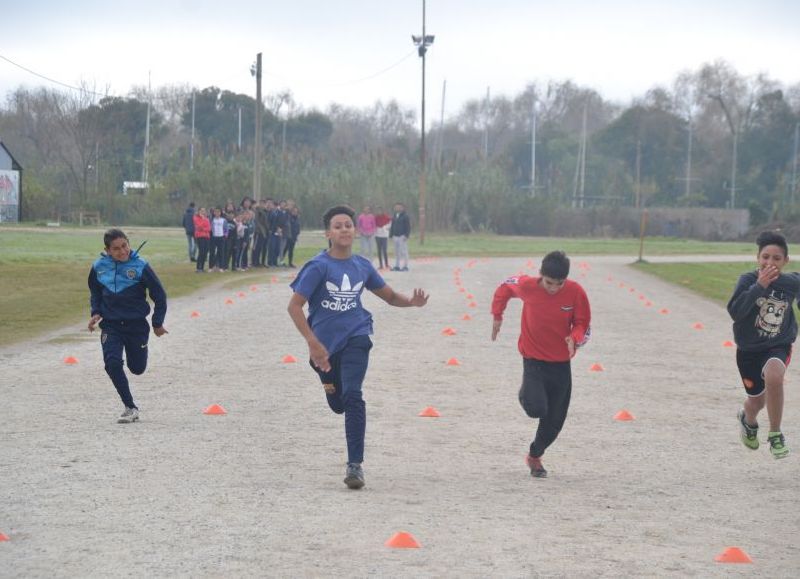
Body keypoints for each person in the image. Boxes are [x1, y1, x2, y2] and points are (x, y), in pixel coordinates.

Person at [287, 205, 429, 490]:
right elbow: (294, 307)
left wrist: (410, 302)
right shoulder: (318, 267)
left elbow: (389, 296)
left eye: (348, 225)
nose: (344, 229)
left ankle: (355, 466)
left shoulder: (362, 266)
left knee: (353, 396)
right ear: (328, 233)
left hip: (357, 337)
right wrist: (312, 343)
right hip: (324, 347)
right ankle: (328, 383)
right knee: (337, 403)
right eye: (337, 226)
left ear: (355, 230)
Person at [491, 251, 591, 478]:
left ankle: (535, 455)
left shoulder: (576, 292)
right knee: (535, 407)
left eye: (559, 284)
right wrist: (498, 314)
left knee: (555, 421)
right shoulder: (527, 285)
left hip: (561, 364)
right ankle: (525, 392)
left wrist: (574, 337)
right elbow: (504, 288)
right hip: (534, 360)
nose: (554, 288)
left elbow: (583, 323)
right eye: (549, 283)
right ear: (540, 276)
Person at [728, 231, 799, 459]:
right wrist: (759, 286)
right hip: (748, 350)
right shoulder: (748, 281)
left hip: (778, 344)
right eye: (765, 257)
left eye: (776, 258)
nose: (770, 262)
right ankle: (747, 419)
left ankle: (776, 433)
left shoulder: (791, 283)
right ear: (757, 258)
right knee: (756, 401)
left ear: (786, 261)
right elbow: (735, 312)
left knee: (775, 377)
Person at [88, 228, 168, 423]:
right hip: (111, 326)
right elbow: (95, 292)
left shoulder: (140, 266)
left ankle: (141, 351)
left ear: (129, 243)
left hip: (136, 326)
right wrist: (96, 312)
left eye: (124, 246)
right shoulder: (99, 267)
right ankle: (130, 407)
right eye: (116, 249)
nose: (122, 251)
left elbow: (159, 296)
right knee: (112, 363)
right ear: (107, 250)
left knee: (137, 368)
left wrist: (157, 323)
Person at [389, 202, 410, 271]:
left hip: (402, 236)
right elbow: (392, 225)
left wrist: (406, 235)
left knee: (404, 252)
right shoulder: (395, 215)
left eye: (399, 207)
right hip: (395, 236)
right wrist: (391, 235)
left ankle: (405, 266)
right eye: (396, 207)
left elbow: (408, 227)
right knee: (396, 252)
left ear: (402, 208)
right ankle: (397, 266)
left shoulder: (405, 216)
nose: (397, 208)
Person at [193, 207, 211, 272]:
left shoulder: (207, 219)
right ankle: (198, 268)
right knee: (201, 252)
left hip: (207, 237)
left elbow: (209, 228)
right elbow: (198, 226)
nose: (203, 212)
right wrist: (203, 220)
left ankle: (202, 268)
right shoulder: (196, 217)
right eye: (202, 210)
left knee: (205, 252)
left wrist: (203, 229)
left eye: (204, 210)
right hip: (200, 237)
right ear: (199, 211)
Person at [209, 207, 226, 272]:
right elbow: (210, 228)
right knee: (212, 252)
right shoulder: (212, 220)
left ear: (220, 213)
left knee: (221, 252)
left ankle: (221, 267)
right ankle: (211, 267)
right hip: (214, 237)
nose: (217, 213)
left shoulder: (223, 220)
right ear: (214, 213)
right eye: (216, 212)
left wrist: (225, 235)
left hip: (221, 237)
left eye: (218, 212)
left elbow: (226, 229)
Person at [374, 206, 391, 270]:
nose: (379, 212)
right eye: (378, 211)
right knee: (379, 250)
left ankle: (386, 264)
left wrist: (385, 227)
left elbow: (390, 224)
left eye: (380, 211)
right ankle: (380, 265)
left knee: (384, 250)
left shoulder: (387, 217)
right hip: (377, 235)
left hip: (384, 235)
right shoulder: (375, 218)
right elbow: (373, 225)